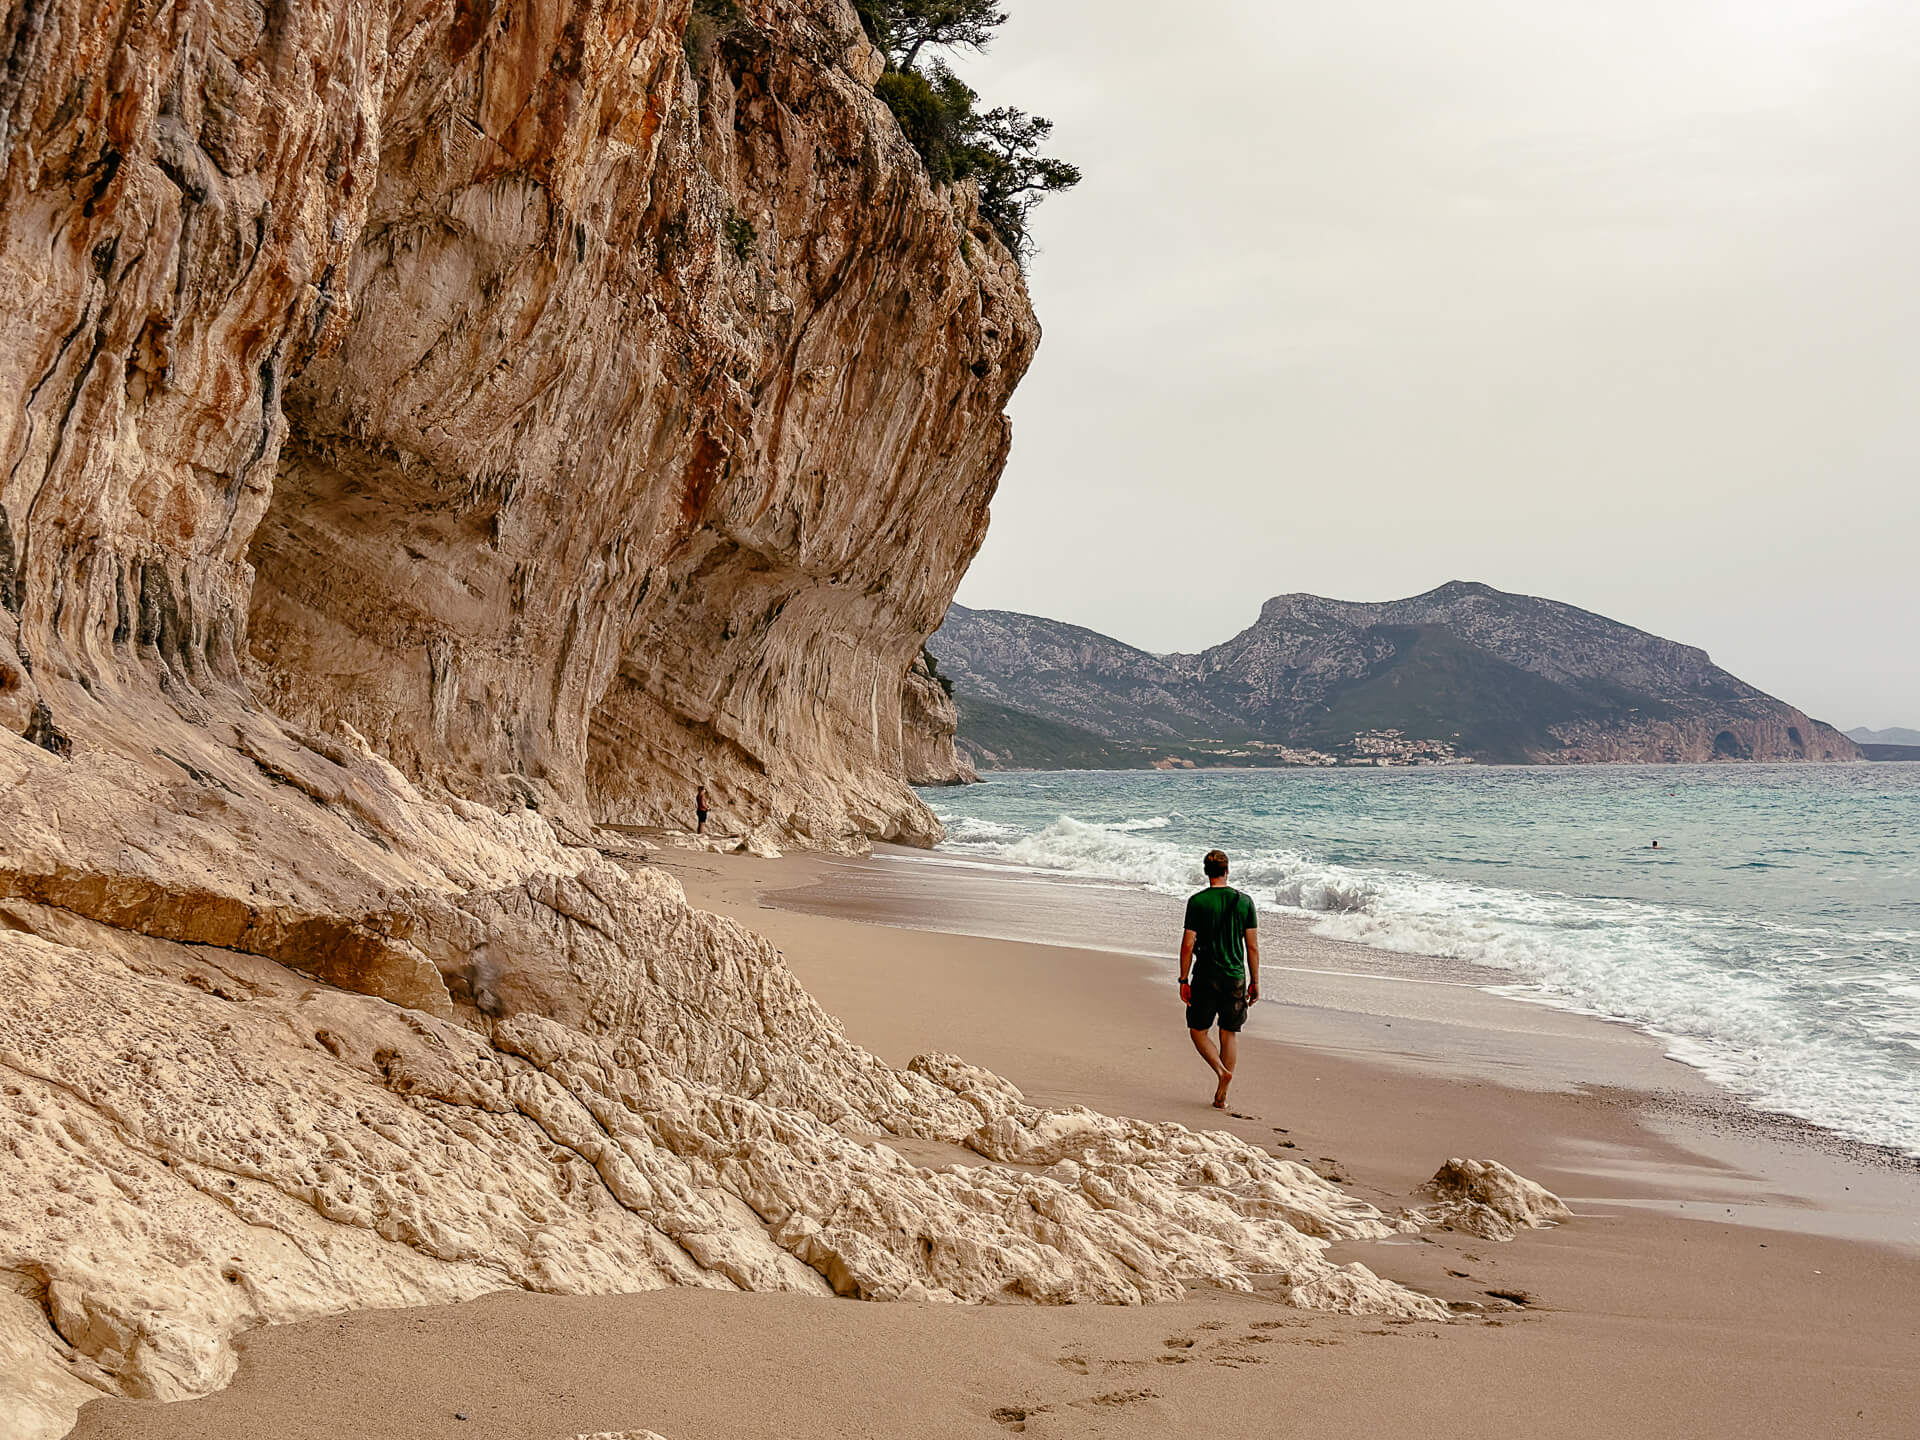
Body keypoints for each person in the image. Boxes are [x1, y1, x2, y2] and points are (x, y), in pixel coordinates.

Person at [1178, 849, 1260, 1109]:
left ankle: (1220, 1070)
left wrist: (1183, 979)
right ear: (1227, 870)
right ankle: (1223, 1092)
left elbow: (1188, 944)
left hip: (1205, 975)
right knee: (1229, 1032)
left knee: (1198, 1030)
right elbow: (1252, 947)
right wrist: (1255, 981)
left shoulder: (1197, 902)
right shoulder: (1245, 902)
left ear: (1206, 872)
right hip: (1235, 976)